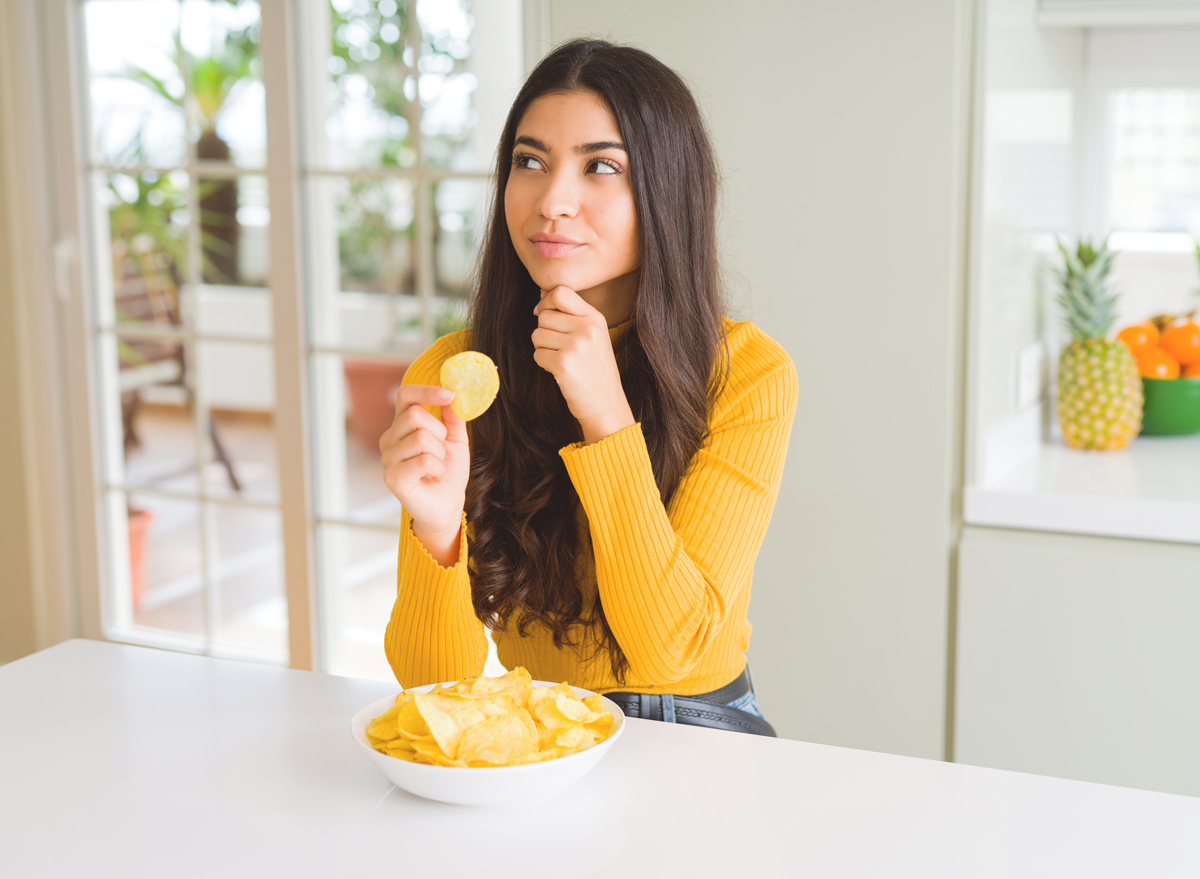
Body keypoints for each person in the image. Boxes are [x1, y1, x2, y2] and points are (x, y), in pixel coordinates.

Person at [380, 39, 797, 736]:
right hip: (533, 731)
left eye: (600, 165)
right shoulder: (452, 374)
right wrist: (437, 525)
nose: (552, 201)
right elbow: (434, 682)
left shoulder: (749, 374)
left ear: (667, 188)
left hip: (693, 724)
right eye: (529, 161)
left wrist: (606, 415)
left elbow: (669, 648)